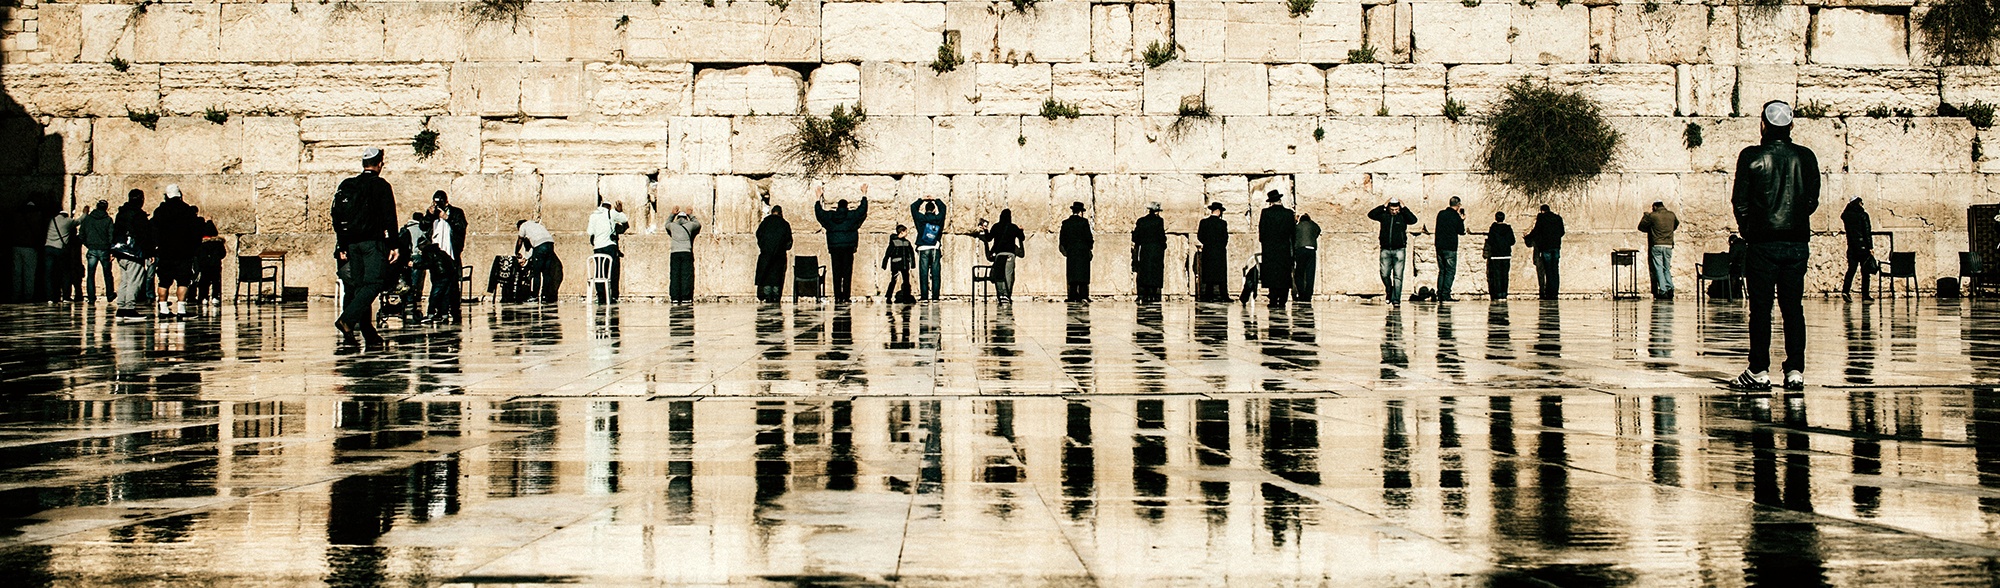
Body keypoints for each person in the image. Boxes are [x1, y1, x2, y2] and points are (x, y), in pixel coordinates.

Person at [1729, 100, 1820, 392]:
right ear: (1790, 126)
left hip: (1763, 244)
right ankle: (1795, 370)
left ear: (1763, 125)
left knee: (1761, 308)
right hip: (1796, 243)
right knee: (1793, 308)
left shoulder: (1751, 156)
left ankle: (1759, 369)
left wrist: (1750, 230)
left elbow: (1740, 202)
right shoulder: (1806, 157)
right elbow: (1811, 200)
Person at [333, 148, 399, 346]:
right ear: (379, 164)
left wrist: (342, 244)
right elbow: (390, 217)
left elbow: (338, 215)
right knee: (374, 283)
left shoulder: (348, 185)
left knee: (361, 287)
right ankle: (347, 319)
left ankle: (368, 332)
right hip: (372, 243)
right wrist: (394, 245)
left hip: (352, 244)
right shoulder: (381, 185)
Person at [151, 184, 203, 318]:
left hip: (165, 252)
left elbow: (153, 231)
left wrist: (155, 247)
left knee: (163, 281)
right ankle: (181, 310)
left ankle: (163, 309)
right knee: (183, 281)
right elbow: (195, 233)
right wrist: (194, 249)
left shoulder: (160, 211)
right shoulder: (187, 211)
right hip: (183, 252)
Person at [814, 186, 869, 303]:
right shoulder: (851, 216)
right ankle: (846, 296)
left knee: (836, 272)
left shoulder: (831, 216)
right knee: (847, 272)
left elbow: (819, 213)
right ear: (846, 206)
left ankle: (838, 296)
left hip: (834, 248)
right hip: (848, 247)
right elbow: (862, 210)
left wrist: (818, 198)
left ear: (838, 207)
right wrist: (864, 194)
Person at [111, 190, 155, 320]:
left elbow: (115, 232)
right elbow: (143, 235)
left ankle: (121, 307)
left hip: (120, 252)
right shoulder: (138, 215)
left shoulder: (121, 213)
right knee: (134, 280)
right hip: (133, 252)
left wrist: (113, 251)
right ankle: (129, 308)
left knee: (124, 280)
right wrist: (149, 252)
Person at [424, 191, 467, 324]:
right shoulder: (432, 214)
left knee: (452, 285)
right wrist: (429, 216)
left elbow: (461, 227)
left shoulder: (456, 212)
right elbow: (423, 226)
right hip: (437, 257)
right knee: (437, 284)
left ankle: (454, 311)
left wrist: (447, 217)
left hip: (451, 254)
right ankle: (439, 312)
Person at [1367, 197, 1419, 304]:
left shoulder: (1403, 216)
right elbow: (1371, 214)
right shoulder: (1384, 216)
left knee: (1398, 276)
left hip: (1399, 249)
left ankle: (1396, 299)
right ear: (1389, 208)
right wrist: (1384, 206)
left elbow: (1413, 220)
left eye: (1396, 209)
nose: (1394, 212)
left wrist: (1404, 208)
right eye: (1392, 210)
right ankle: (1389, 290)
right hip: (1385, 249)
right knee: (1384, 274)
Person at [977, 209, 1025, 302]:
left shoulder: (996, 226)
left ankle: (1000, 294)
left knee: (999, 274)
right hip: (1010, 255)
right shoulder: (1013, 227)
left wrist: (986, 230)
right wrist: (1021, 230)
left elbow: (988, 238)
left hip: (999, 254)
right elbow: (1022, 238)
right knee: (1008, 275)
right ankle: (1007, 294)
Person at [587, 201, 630, 303]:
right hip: (610, 246)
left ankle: (601, 295)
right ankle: (612, 295)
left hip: (598, 247)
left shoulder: (593, 216)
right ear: (609, 207)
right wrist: (620, 211)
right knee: (611, 271)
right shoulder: (611, 213)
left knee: (599, 271)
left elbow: (590, 232)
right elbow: (624, 220)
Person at [1259, 191, 1296, 304]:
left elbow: (1262, 232)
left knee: (1272, 274)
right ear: (1280, 200)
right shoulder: (1289, 213)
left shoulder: (1265, 213)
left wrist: (1265, 243)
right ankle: (1283, 298)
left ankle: (1273, 298)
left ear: (1271, 202)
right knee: (1284, 273)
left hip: (1270, 249)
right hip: (1284, 248)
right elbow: (1293, 233)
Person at [1638, 201, 1680, 299]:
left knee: (1658, 268)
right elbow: (1675, 225)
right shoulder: (1671, 215)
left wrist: (1646, 215)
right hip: (1668, 245)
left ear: (1655, 207)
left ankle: (1663, 290)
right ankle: (1670, 288)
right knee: (1667, 268)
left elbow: (1641, 227)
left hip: (1657, 244)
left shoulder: (1652, 216)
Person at [911, 194, 947, 301]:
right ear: (934, 210)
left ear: (926, 209)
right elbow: (944, 208)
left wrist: (922, 199)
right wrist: (936, 199)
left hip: (923, 248)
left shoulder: (921, 218)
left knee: (924, 273)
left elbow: (913, 207)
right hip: (935, 247)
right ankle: (935, 297)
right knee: (935, 274)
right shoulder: (938, 218)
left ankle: (924, 297)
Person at [1525, 204, 1565, 300]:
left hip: (1546, 247)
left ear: (1542, 211)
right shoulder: (1558, 218)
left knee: (1547, 270)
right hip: (1556, 247)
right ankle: (1555, 292)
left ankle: (1548, 292)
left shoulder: (1542, 219)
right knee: (1555, 269)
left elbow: (1536, 231)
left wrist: (1527, 237)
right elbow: (1562, 232)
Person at [514, 218, 559, 303]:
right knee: (546, 273)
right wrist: (527, 258)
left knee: (536, 273)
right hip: (550, 244)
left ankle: (534, 296)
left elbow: (520, 240)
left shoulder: (523, 226)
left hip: (540, 246)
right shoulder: (537, 225)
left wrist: (516, 252)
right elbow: (534, 248)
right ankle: (545, 296)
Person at [663, 206, 702, 303]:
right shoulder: (690, 225)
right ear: (686, 218)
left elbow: (666, 223)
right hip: (686, 252)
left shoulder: (672, 226)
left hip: (675, 252)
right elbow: (698, 224)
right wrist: (691, 215)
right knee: (686, 275)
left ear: (677, 217)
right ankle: (686, 297)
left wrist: (672, 214)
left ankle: (675, 297)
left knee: (675, 275)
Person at [755, 205, 792, 302]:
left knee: (766, 274)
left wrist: (764, 246)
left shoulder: (765, 223)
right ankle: (775, 296)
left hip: (766, 253)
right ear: (780, 213)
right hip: (779, 255)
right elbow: (789, 242)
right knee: (776, 275)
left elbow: (759, 235)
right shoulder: (784, 224)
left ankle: (767, 295)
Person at [1434, 196, 1468, 302]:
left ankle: (1440, 293)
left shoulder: (1441, 214)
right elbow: (1461, 231)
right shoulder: (1456, 216)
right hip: (1450, 247)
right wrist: (1462, 220)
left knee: (1442, 271)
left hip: (1439, 246)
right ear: (1458, 205)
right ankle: (1446, 294)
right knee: (1450, 271)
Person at [1132, 202, 1167, 303]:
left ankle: (1144, 294)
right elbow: (1161, 236)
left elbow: (1136, 237)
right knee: (1155, 271)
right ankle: (1154, 294)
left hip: (1145, 249)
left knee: (1145, 270)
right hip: (1156, 250)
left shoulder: (1141, 221)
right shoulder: (1159, 221)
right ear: (1156, 212)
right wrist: (1163, 245)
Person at [81, 200, 115, 302]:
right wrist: (110, 249)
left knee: (90, 274)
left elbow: (81, 234)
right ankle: (110, 295)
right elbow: (111, 235)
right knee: (107, 273)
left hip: (92, 249)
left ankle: (91, 297)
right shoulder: (108, 220)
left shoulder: (88, 219)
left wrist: (89, 244)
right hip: (104, 249)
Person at [1059, 201, 1093, 302]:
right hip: (1082, 251)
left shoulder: (1066, 223)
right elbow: (1089, 237)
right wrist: (1089, 247)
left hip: (1072, 251)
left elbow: (1062, 239)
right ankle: (1083, 295)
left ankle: (1072, 295)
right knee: (1083, 273)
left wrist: (1067, 248)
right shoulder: (1084, 222)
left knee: (1072, 273)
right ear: (1080, 212)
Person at [42, 209, 78, 302]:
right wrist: (85, 212)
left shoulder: (51, 220)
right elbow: (79, 220)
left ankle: (50, 297)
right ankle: (66, 296)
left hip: (48, 248)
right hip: (60, 249)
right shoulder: (68, 221)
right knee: (65, 273)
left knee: (49, 274)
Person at [1842, 196, 1874, 300]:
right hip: (1863, 247)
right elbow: (1867, 232)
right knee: (1865, 272)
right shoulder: (1863, 215)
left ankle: (1845, 291)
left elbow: (1843, 215)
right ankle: (1865, 294)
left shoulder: (1847, 216)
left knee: (1851, 270)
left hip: (1851, 247)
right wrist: (1870, 247)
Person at [1196, 202, 1229, 302]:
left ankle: (1208, 296)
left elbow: (1200, 236)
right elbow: (1225, 238)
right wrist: (1220, 246)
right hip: (1219, 251)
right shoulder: (1222, 223)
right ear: (1218, 211)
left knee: (1209, 274)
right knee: (1221, 274)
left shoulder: (1204, 222)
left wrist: (1207, 244)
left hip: (1208, 250)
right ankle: (1224, 295)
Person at [397, 211, 429, 316]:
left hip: (406, 257)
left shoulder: (405, 228)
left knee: (407, 279)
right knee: (415, 281)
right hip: (417, 256)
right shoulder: (421, 229)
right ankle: (412, 300)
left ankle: (406, 299)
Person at [10, 200, 40, 302]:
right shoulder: (35, 217)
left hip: (16, 246)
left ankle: (16, 294)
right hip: (29, 247)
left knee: (16, 272)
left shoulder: (16, 217)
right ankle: (28, 295)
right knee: (29, 273)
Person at [1484, 211, 1516, 300]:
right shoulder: (1508, 228)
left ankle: (1498, 294)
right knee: (1505, 275)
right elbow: (1512, 241)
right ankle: (1504, 293)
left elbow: (1490, 241)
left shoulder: (1493, 229)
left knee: (1497, 275)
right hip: (1506, 254)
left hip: (1496, 255)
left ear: (1495, 218)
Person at [195, 213, 225, 305]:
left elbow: (197, 254)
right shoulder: (218, 243)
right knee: (216, 281)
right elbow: (223, 254)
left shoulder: (201, 244)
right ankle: (215, 297)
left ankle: (203, 297)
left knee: (204, 281)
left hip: (204, 265)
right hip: (215, 264)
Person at [884, 224, 916, 303]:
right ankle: (888, 296)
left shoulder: (907, 242)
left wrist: (912, 263)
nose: (907, 233)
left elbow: (911, 253)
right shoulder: (894, 242)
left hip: (905, 264)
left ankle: (906, 297)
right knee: (894, 280)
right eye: (905, 231)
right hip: (897, 264)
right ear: (901, 232)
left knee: (906, 281)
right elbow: (888, 253)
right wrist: (884, 263)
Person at [1293, 212, 1320, 300]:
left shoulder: (1297, 226)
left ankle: (1301, 293)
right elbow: (1318, 229)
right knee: (1310, 273)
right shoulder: (1313, 225)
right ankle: (1308, 295)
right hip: (1311, 249)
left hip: (1300, 249)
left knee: (1299, 272)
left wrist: (1295, 221)